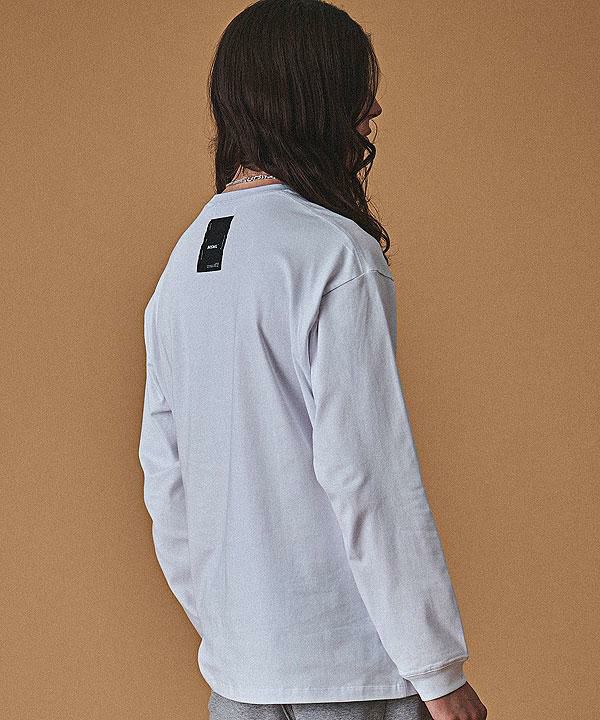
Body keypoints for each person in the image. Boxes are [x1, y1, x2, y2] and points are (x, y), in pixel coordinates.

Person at [138, 1, 487, 719]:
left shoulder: (182, 264)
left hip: (238, 682)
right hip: (354, 677)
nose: (374, 109)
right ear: (312, 96)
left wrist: (235, 633)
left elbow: (165, 480)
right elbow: (367, 474)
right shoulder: (333, 255)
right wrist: (439, 670)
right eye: (358, 88)